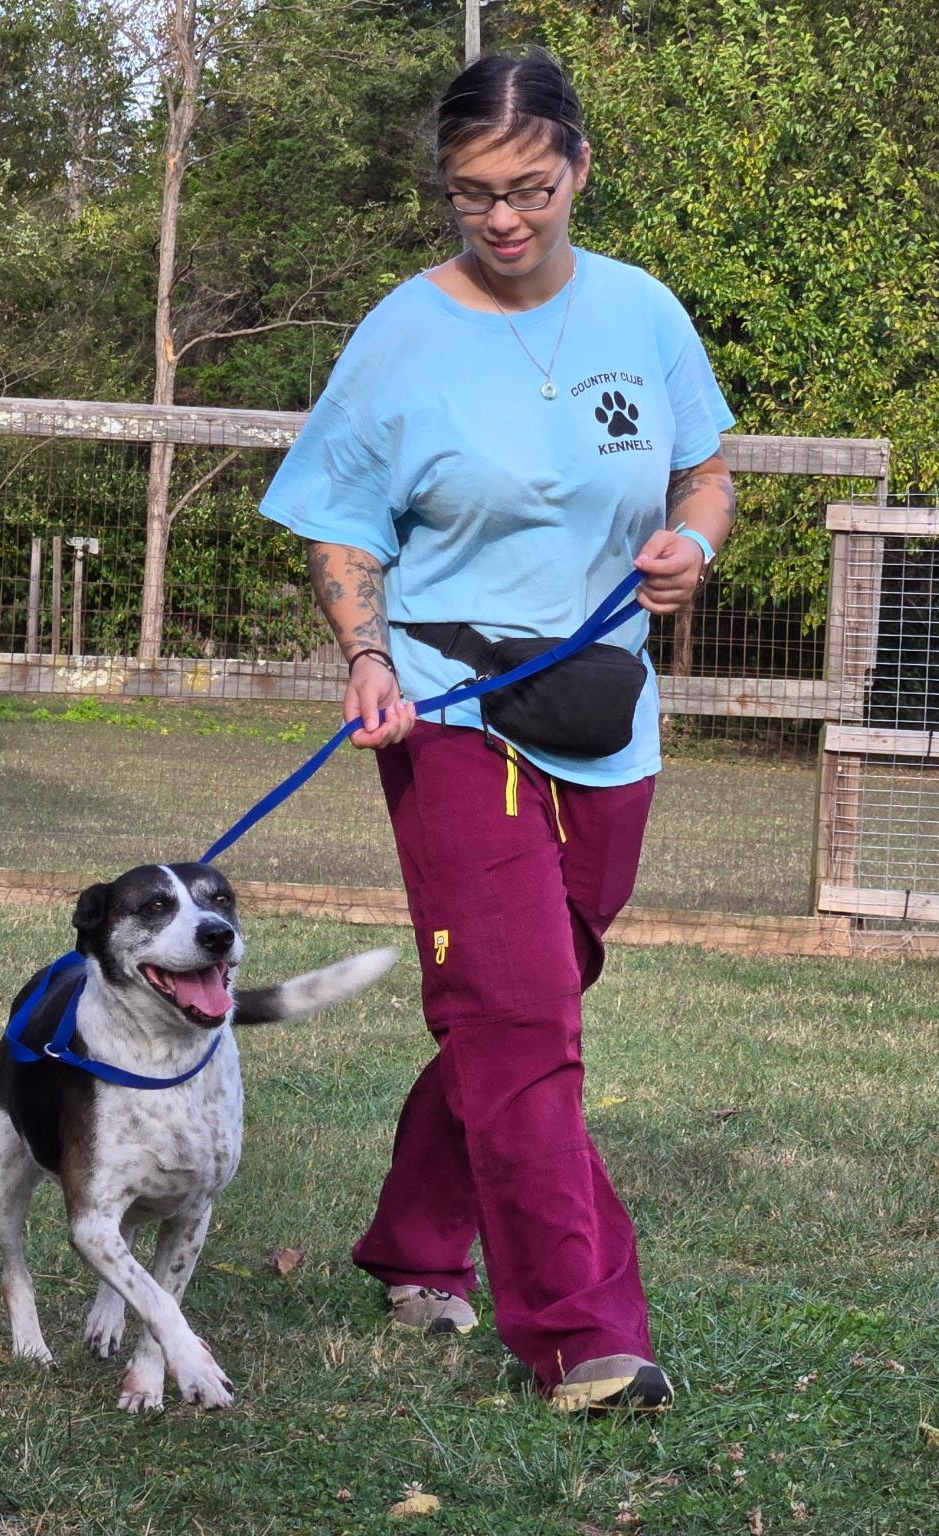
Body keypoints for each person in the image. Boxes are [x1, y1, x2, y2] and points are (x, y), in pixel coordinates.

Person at [256, 49, 736, 1413]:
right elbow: (342, 525)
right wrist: (367, 655)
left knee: (524, 999)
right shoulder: (400, 336)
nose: (504, 217)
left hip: (608, 717)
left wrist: (695, 544)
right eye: (473, 193)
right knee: (521, 1019)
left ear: (581, 166)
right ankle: (583, 1336)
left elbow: (707, 471)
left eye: (529, 187)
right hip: (451, 713)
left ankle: (416, 1239)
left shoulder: (644, 312)